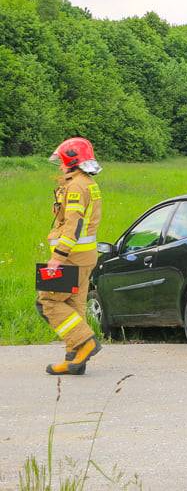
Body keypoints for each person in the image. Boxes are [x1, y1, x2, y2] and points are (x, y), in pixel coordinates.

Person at [37, 137, 103, 374]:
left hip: (71, 257)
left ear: (71, 161)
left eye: (61, 161)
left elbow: (73, 225)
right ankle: (75, 360)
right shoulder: (87, 183)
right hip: (85, 256)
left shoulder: (75, 187)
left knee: (47, 301)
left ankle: (85, 342)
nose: (59, 166)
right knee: (74, 306)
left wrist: (58, 257)